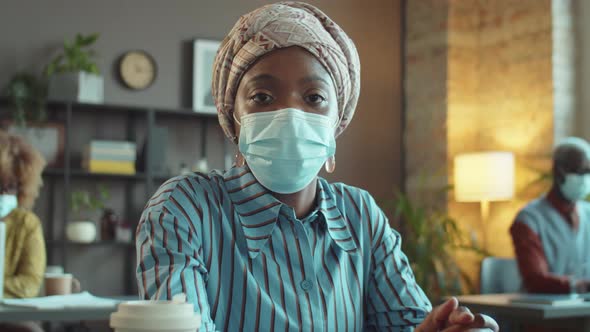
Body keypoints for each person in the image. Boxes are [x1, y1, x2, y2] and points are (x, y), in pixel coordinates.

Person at [136, 2, 498, 331]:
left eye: (314, 98)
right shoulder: (185, 208)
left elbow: (406, 323)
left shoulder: (360, 216)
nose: (290, 115)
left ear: (336, 121)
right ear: (234, 117)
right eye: (262, 97)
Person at [511, 137, 590, 294]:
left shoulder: (587, 213)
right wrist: (577, 286)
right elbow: (535, 279)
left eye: (589, 172)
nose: (585, 178)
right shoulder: (529, 219)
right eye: (580, 171)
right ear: (558, 171)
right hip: (542, 313)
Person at [0, 130, 46, 332]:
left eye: (9, 187)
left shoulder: (28, 224)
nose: (3, 194)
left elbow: (30, 283)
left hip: (11, 318)